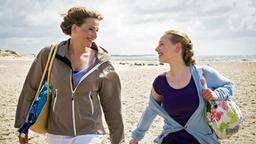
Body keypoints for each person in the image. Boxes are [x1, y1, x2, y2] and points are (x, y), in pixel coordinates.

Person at [15, 6, 124, 144]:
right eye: (91, 29)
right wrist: (21, 125)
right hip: (56, 131)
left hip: (89, 131)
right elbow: (30, 88)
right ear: (74, 28)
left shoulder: (102, 63)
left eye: (97, 30)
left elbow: (113, 106)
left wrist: (118, 141)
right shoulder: (50, 54)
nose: (95, 35)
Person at [129, 30, 234, 144]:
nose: (156, 48)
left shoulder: (203, 74)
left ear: (177, 47)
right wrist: (136, 137)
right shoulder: (160, 81)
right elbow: (151, 109)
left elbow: (229, 86)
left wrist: (216, 94)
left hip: (202, 140)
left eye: (162, 44)